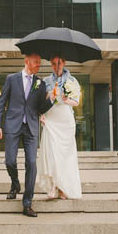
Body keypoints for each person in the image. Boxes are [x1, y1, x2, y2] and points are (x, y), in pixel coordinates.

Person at [0, 53, 55, 217]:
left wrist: (51, 98)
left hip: (31, 128)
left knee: (32, 163)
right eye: (36, 62)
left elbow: (41, 107)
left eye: (40, 63)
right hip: (13, 124)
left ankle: (27, 203)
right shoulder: (11, 79)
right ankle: (15, 184)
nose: (38, 65)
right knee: (10, 161)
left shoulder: (40, 83)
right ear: (27, 62)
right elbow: (2, 104)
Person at [38, 54, 82, 200]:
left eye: (58, 63)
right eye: (53, 63)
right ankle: (52, 186)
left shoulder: (72, 80)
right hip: (51, 119)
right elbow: (41, 101)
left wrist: (66, 99)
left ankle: (63, 188)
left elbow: (76, 102)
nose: (56, 66)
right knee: (51, 153)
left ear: (64, 63)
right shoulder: (45, 81)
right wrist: (42, 110)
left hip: (65, 120)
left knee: (64, 156)